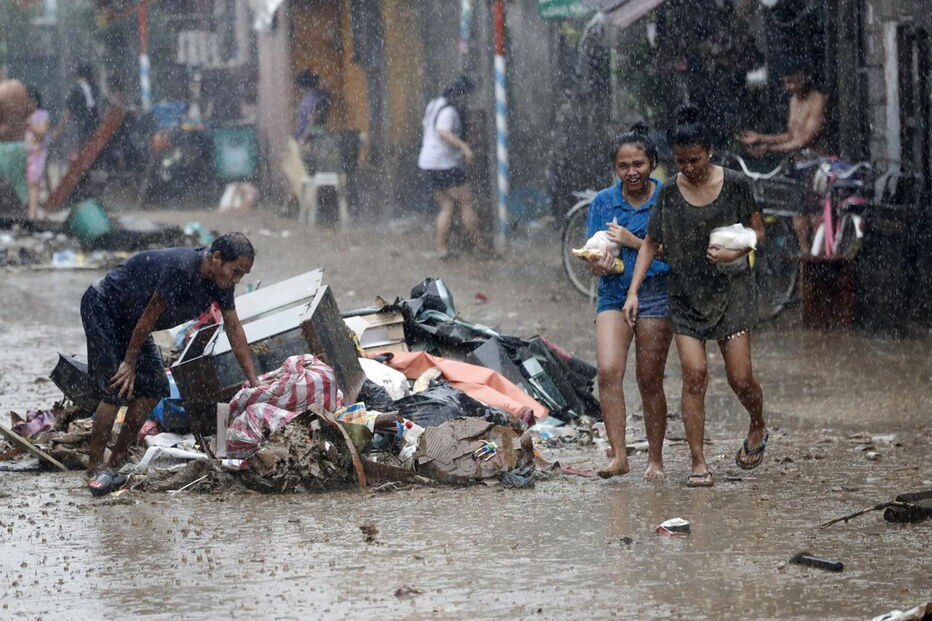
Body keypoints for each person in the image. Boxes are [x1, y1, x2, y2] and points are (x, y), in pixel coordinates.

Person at [623, 105, 769, 488]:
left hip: (732, 290)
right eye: (680, 161)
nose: (688, 167)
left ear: (710, 152)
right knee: (695, 375)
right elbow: (651, 243)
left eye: (695, 159)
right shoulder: (669, 192)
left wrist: (736, 252)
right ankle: (698, 461)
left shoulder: (736, 183)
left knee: (741, 379)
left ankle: (757, 422)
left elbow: (758, 232)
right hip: (686, 294)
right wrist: (634, 291)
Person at [82, 233, 260, 496]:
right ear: (217, 258)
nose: (235, 280)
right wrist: (129, 363)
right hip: (104, 306)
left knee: (155, 388)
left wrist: (254, 381)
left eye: (242, 275)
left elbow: (234, 329)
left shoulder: (220, 283)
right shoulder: (181, 269)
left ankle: (116, 464)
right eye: (235, 271)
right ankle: (94, 468)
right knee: (117, 387)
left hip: (135, 321)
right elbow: (150, 316)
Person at [586, 122, 672, 480]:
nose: (631, 172)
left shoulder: (668, 197)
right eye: (623, 166)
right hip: (612, 294)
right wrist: (597, 263)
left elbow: (678, 254)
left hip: (657, 295)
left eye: (638, 164)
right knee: (608, 371)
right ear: (615, 169)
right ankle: (619, 455)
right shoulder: (603, 202)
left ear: (652, 162)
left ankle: (655, 458)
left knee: (649, 379)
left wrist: (634, 241)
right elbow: (592, 253)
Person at [738, 67, 827, 252]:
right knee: (797, 215)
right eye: (787, 83)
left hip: (816, 166)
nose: (791, 87)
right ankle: (805, 260)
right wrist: (760, 137)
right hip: (796, 165)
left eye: (794, 81)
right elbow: (791, 136)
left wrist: (769, 148)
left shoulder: (818, 100)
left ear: (806, 77)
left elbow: (805, 140)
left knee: (814, 217)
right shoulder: (793, 101)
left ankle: (817, 261)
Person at [417, 75, 484, 259]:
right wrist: (464, 147)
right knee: (466, 201)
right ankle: (479, 246)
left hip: (428, 162)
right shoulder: (449, 112)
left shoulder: (434, 104)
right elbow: (443, 132)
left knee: (446, 206)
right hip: (443, 164)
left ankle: (442, 249)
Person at [51, 63, 101, 147]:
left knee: (86, 153)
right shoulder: (95, 88)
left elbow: (67, 114)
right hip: (99, 128)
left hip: (84, 130)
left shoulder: (77, 90)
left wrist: (57, 132)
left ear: (78, 75)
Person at [24, 85, 50, 220]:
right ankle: (25, 212)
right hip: (24, 152)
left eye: (29, 100)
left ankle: (32, 215)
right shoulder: (23, 115)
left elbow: (42, 133)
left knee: (33, 184)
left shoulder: (42, 115)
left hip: (37, 154)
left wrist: (31, 126)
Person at [293, 69, 332, 142]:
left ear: (302, 86)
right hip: (316, 134)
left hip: (310, 138)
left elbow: (313, 120)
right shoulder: (320, 94)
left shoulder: (311, 99)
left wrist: (303, 139)